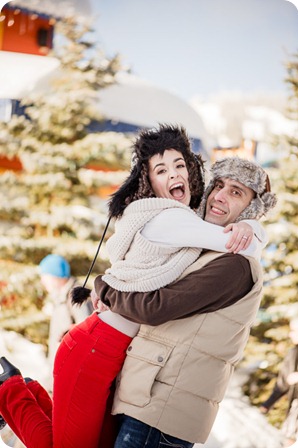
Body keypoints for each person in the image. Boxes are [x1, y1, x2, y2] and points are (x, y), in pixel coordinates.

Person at [0, 125, 271, 448]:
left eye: (179, 166)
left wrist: (251, 221)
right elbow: (237, 242)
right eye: (161, 170)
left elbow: (217, 229)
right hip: (95, 349)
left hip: (109, 353)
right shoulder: (170, 218)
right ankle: (10, 390)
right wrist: (253, 228)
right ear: (149, 180)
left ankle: (21, 390)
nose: (173, 175)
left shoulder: (189, 224)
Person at [92, 155, 277, 448]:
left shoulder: (234, 267)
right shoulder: (204, 246)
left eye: (236, 192)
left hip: (162, 412)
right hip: (149, 399)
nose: (219, 196)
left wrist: (105, 288)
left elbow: (156, 308)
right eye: (218, 185)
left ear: (251, 209)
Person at [39, 254, 92, 385]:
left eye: (45, 277)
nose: (43, 281)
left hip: (70, 368)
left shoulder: (76, 296)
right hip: (59, 366)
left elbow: (87, 329)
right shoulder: (60, 297)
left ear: (57, 276)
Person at [260, 317, 298, 447]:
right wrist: (268, 403)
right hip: (296, 410)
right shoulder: (294, 353)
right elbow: (283, 381)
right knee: (290, 440)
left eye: (294, 330)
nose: (290, 334)